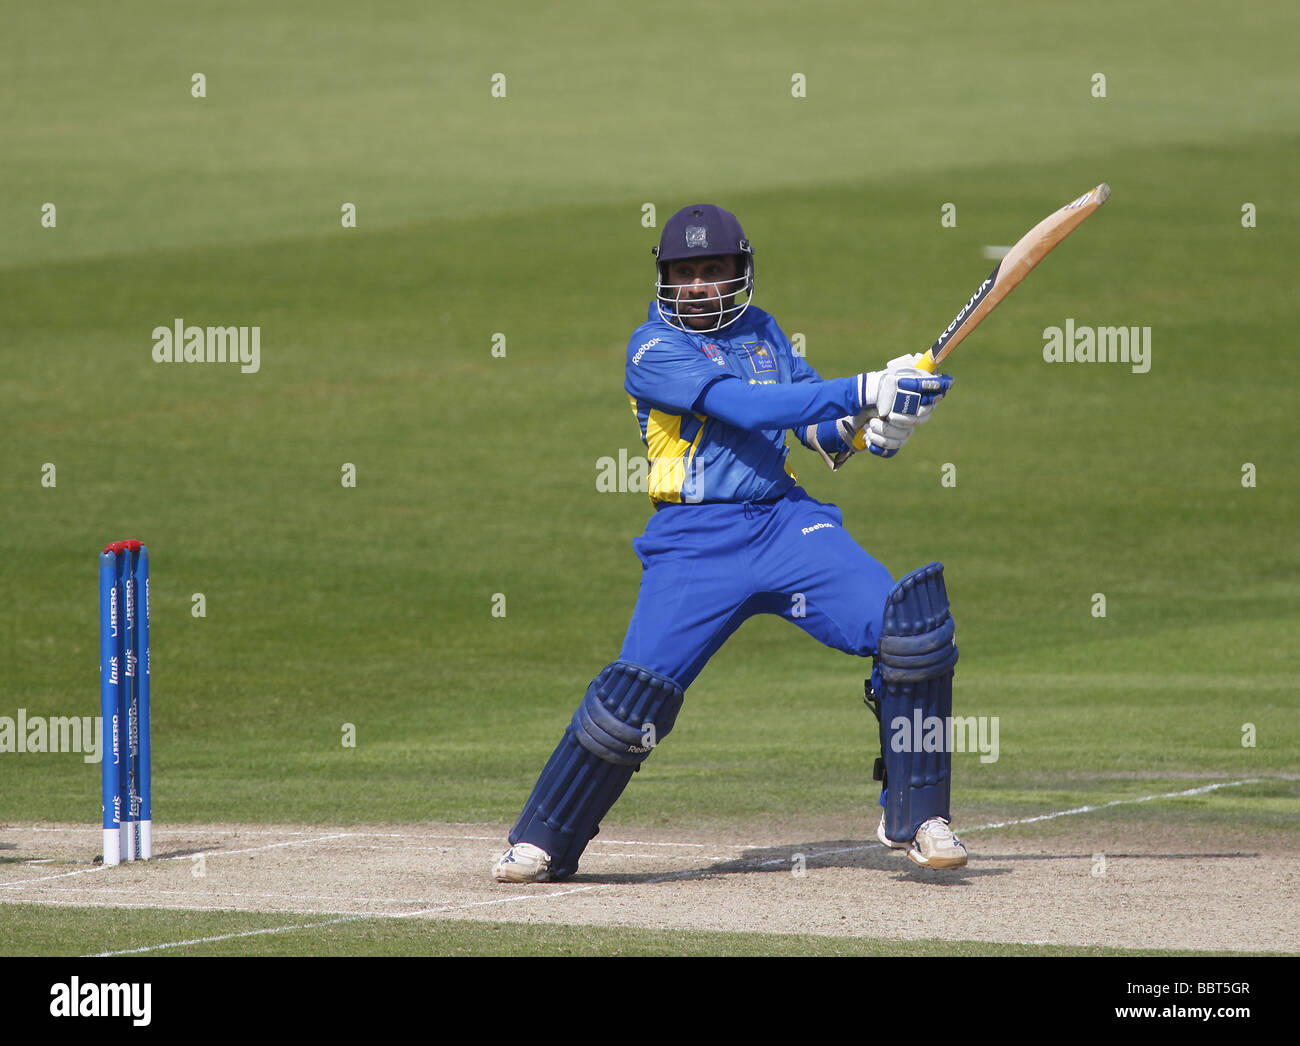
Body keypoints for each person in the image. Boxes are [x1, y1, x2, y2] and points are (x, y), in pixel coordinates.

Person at [492, 203, 965, 883]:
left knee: (911, 628)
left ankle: (920, 814)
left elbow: (818, 431)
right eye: (684, 273)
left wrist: (876, 423)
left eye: (713, 270)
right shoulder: (653, 349)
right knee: (633, 698)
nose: (698, 284)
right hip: (693, 543)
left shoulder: (764, 333)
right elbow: (745, 406)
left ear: (739, 271)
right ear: (664, 278)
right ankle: (544, 839)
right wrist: (864, 387)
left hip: (786, 525)